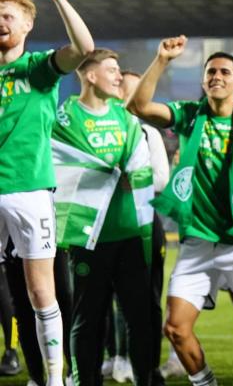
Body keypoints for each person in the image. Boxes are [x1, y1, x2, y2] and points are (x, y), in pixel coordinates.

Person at [127, 38, 233, 386]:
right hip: (197, 243)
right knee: (176, 328)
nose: (217, 76)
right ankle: (205, 383)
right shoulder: (187, 115)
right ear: (203, 81)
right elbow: (138, 105)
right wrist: (161, 59)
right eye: (210, 71)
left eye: (224, 72)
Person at [0, 0, 95, 386]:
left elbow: (84, 46)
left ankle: (54, 380)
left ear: (27, 24)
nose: (0, 20)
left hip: (29, 191)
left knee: (42, 293)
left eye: (7, 15)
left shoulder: (38, 68)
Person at [50, 48, 157, 385]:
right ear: (90, 75)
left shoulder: (125, 117)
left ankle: (145, 377)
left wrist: (128, 173)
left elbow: (140, 163)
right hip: (88, 236)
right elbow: (65, 166)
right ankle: (84, 380)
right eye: (111, 69)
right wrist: (111, 172)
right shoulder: (65, 119)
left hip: (129, 233)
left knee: (141, 319)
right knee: (88, 319)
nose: (117, 76)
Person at [120, 69, 171, 385]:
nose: (126, 97)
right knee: (99, 300)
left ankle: (149, 367)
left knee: (148, 300)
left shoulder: (148, 132)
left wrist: (125, 182)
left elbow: (161, 179)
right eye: (122, 89)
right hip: (101, 225)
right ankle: (115, 359)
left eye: (133, 91)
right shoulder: (95, 128)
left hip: (142, 222)